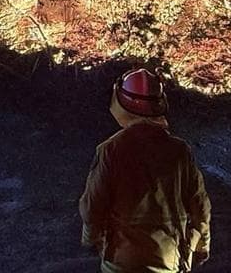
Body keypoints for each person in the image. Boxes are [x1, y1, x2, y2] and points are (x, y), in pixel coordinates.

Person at [80, 69, 211, 273]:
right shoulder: (179, 151)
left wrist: (90, 239)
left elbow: (93, 206)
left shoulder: (110, 150)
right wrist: (202, 245)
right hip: (169, 261)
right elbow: (200, 204)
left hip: (120, 262)